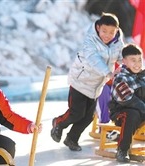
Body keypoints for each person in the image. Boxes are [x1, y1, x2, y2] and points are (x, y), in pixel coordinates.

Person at [50, 12, 124, 151]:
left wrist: (129, 63)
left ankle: (71, 138)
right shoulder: (90, 41)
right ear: (98, 28)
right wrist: (109, 73)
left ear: (116, 31)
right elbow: (94, 60)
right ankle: (58, 123)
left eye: (111, 32)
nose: (107, 35)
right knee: (76, 113)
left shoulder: (117, 42)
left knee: (88, 117)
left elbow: (120, 56)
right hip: (80, 82)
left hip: (96, 86)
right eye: (104, 31)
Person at [108, 44, 145, 163]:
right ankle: (122, 150)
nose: (137, 64)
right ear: (124, 61)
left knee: (136, 113)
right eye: (133, 60)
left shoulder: (143, 76)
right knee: (132, 114)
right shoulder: (121, 77)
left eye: (139, 59)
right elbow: (126, 98)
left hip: (142, 111)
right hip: (121, 112)